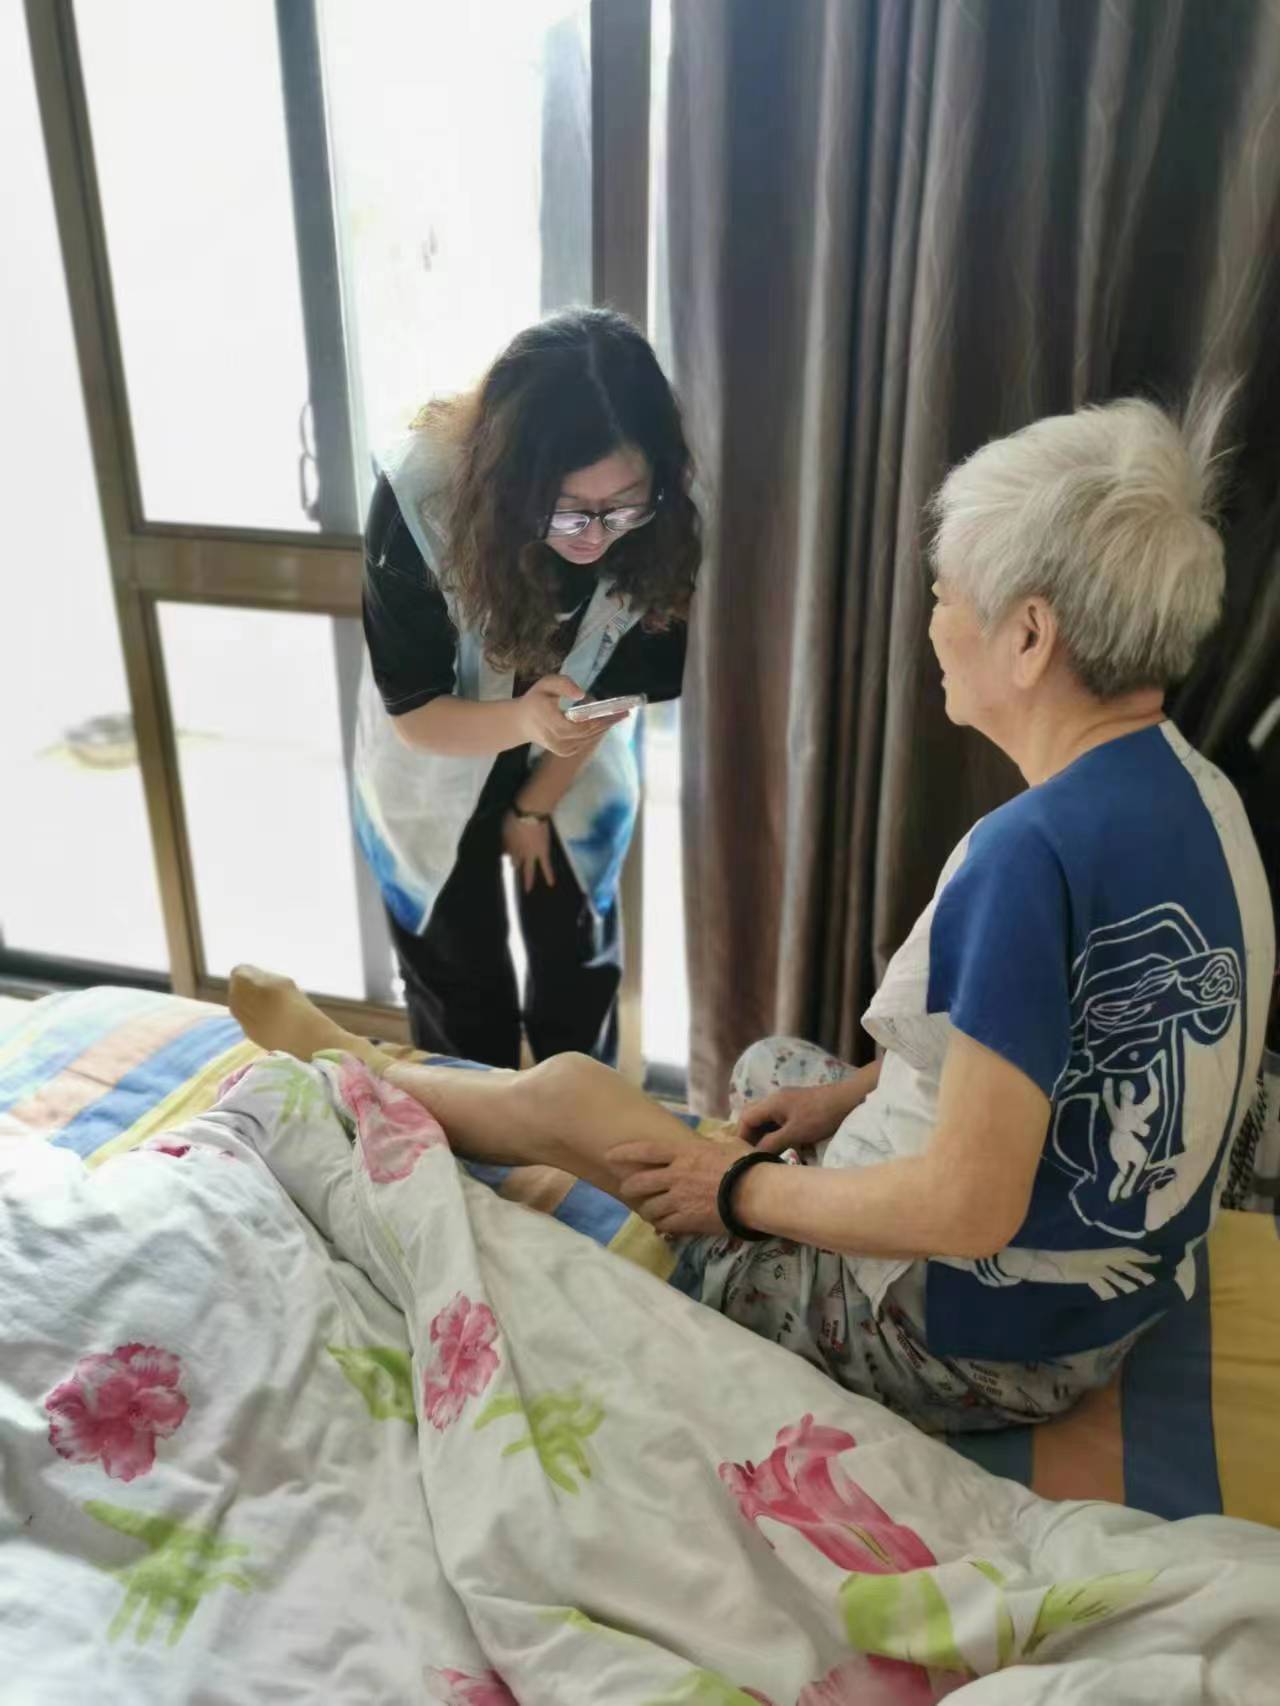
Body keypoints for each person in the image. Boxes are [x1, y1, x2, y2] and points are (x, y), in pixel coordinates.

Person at [234, 389, 1273, 1433]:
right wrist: (845, 1099)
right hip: (1111, 1298)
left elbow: (968, 1205)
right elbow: (1052, 1047)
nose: (933, 624)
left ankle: (360, 1073)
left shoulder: (1024, 858)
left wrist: (733, 1189)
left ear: (1029, 636)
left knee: (574, 1096)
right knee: (777, 1070)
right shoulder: (1207, 800)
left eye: (944, 595)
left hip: (962, 1337)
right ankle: (449, 1083)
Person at [354, 307, 700, 1068]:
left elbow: (617, 695)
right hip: (438, 751)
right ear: (510, 481)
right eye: (568, 510)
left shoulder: (664, 516)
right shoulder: (419, 501)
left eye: (622, 504)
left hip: (573, 754)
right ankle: (479, 1134)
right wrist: (522, 720)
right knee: (460, 998)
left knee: (577, 980)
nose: (596, 535)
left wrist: (535, 805)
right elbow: (415, 713)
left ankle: (574, 1133)